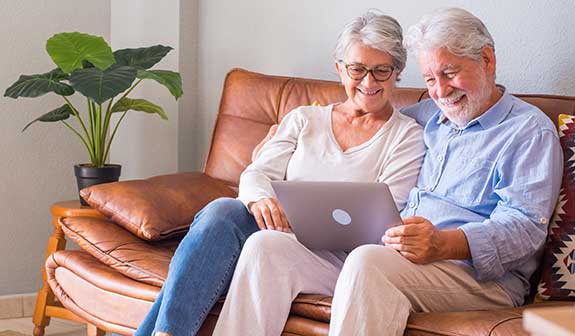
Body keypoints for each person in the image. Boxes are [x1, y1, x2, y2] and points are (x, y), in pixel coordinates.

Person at [212, 7, 563, 336]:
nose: (440, 91)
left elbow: (525, 228)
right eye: (430, 78)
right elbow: (365, 120)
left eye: (450, 73)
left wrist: (444, 244)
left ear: (487, 60)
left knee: (369, 262)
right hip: (397, 256)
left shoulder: (528, 132)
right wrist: (271, 146)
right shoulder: (426, 116)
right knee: (266, 248)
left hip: (476, 277)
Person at [135, 10, 425, 336]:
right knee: (223, 210)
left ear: (397, 72)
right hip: (278, 231)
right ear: (340, 68)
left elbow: (387, 211)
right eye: (357, 69)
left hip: (341, 258)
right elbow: (256, 173)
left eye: (382, 71)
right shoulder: (304, 119)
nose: (368, 82)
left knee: (261, 244)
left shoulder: (406, 135)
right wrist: (261, 201)